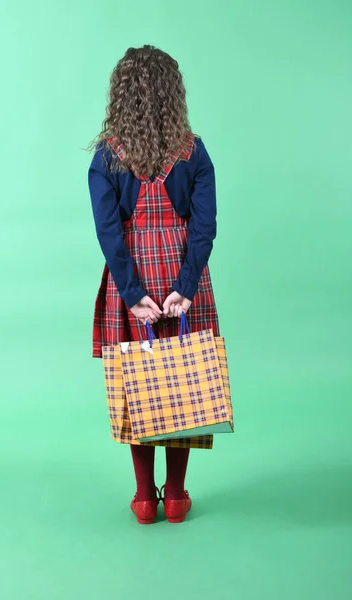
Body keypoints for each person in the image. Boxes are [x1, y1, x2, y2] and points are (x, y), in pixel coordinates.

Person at [87, 44, 220, 524]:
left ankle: (145, 499)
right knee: (182, 382)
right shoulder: (194, 150)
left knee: (138, 385)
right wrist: (185, 286)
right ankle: (178, 495)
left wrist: (131, 292)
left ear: (120, 96)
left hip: (134, 277)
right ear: (173, 93)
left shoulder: (108, 156)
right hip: (184, 275)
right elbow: (204, 226)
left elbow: (108, 231)